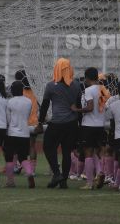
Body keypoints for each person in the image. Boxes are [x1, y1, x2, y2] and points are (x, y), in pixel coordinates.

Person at [37, 58, 82, 189]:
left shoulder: (51, 85)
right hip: (72, 124)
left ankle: (57, 174)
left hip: (57, 122)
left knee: (48, 147)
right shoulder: (76, 85)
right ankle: (63, 180)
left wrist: (40, 121)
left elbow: (45, 105)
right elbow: (78, 105)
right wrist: (79, 124)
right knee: (67, 152)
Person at [71, 67, 108, 190]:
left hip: (89, 125)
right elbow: (103, 107)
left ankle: (90, 183)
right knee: (96, 152)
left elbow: (90, 107)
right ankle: (100, 172)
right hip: (100, 125)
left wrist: (77, 110)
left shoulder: (89, 90)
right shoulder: (102, 89)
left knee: (87, 153)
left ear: (87, 78)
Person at [4, 81, 37, 188]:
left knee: (9, 157)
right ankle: (29, 172)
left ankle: (10, 181)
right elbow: (27, 116)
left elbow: (8, 119)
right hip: (25, 133)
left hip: (12, 132)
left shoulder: (9, 102)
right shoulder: (28, 102)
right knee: (23, 157)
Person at [15, 70, 40, 176]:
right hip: (34, 123)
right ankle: (32, 169)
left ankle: (20, 165)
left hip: (22, 123)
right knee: (32, 146)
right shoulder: (36, 93)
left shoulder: (20, 93)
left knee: (18, 146)